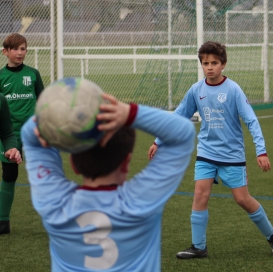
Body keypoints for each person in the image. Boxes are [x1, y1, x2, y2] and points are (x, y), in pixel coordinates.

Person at [21, 92, 195, 271]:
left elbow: (28, 134)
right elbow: (183, 132)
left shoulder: (55, 204)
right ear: (126, 162)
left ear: (73, 163)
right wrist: (130, 113)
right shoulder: (141, 201)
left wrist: (57, 119)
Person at [148, 41, 273, 259]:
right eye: (205, 63)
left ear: (223, 64)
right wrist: (158, 141)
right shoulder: (196, 90)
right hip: (206, 153)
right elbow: (179, 116)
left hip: (231, 155)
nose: (209, 67)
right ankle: (198, 246)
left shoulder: (233, 89)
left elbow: (251, 121)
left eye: (214, 63)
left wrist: (261, 151)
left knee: (242, 199)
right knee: (200, 194)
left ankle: (272, 236)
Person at [0, 33, 44, 234]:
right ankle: (3, 221)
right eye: (16, 49)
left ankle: (55, 220)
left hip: (33, 133)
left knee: (43, 174)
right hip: (9, 135)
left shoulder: (33, 74)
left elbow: (43, 101)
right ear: (5, 52)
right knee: (9, 175)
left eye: (23, 49)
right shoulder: (1, 76)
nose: (20, 53)